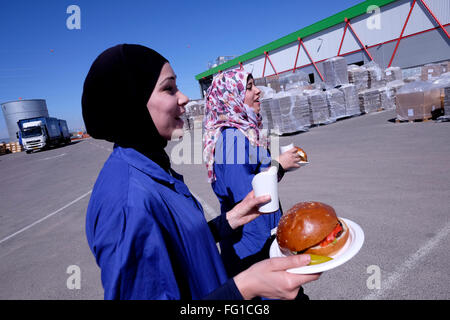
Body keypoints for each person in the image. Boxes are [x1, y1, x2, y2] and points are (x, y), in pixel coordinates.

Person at [82, 44, 320, 300]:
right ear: (131, 103)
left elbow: (177, 246)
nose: (184, 98)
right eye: (168, 88)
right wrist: (243, 288)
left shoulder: (151, 169)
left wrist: (227, 222)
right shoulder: (126, 204)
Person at [203, 69, 303, 277]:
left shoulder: (244, 133)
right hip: (252, 245)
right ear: (230, 97)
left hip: (262, 234)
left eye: (254, 85)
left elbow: (257, 173)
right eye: (249, 88)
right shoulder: (232, 139)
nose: (258, 91)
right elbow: (247, 195)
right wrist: (279, 165)